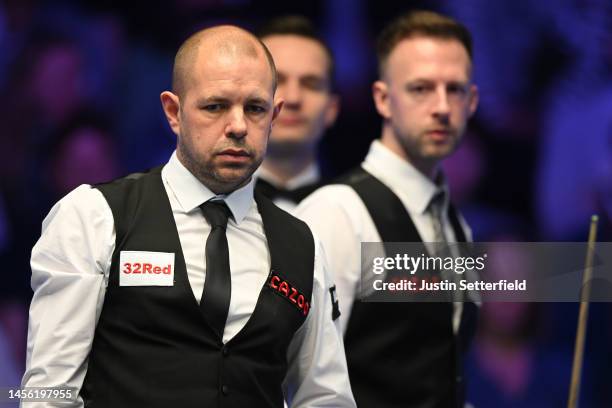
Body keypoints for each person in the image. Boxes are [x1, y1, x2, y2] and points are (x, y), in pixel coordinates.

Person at [22, 25, 355, 408]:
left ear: (274, 114)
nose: (238, 126)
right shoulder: (94, 216)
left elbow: (325, 398)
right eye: (215, 106)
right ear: (173, 112)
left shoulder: (303, 245)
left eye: (255, 108)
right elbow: (48, 393)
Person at [296, 10, 479, 408]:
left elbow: (436, 371)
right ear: (382, 98)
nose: (442, 106)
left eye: (456, 89)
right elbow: (297, 384)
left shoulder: (456, 224)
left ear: (473, 101)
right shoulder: (336, 214)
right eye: (421, 88)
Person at [254, 16, 340, 212]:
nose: (293, 98)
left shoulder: (363, 210)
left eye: (311, 84)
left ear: (332, 109)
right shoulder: (188, 207)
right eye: (277, 81)